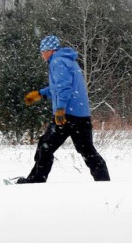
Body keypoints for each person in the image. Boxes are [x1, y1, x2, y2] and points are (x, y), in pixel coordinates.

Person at [14, 35, 110, 184]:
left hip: (66, 115)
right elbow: (57, 88)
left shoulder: (57, 62)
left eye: (42, 51)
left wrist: (60, 109)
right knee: (87, 150)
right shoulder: (67, 61)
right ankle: (104, 181)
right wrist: (40, 94)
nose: (41, 55)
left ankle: (36, 180)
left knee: (45, 146)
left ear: (50, 50)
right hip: (80, 116)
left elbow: (64, 88)